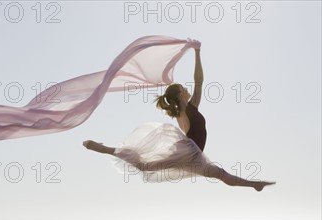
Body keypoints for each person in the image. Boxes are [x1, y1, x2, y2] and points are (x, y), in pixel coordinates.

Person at [82, 45, 275, 191]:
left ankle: (105, 148)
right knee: (221, 175)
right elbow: (199, 80)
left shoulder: (184, 111)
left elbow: (198, 82)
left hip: (193, 157)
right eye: (184, 88)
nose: (188, 89)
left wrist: (196, 51)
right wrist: (197, 52)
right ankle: (254, 185)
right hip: (191, 154)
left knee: (145, 166)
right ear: (181, 95)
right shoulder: (190, 109)